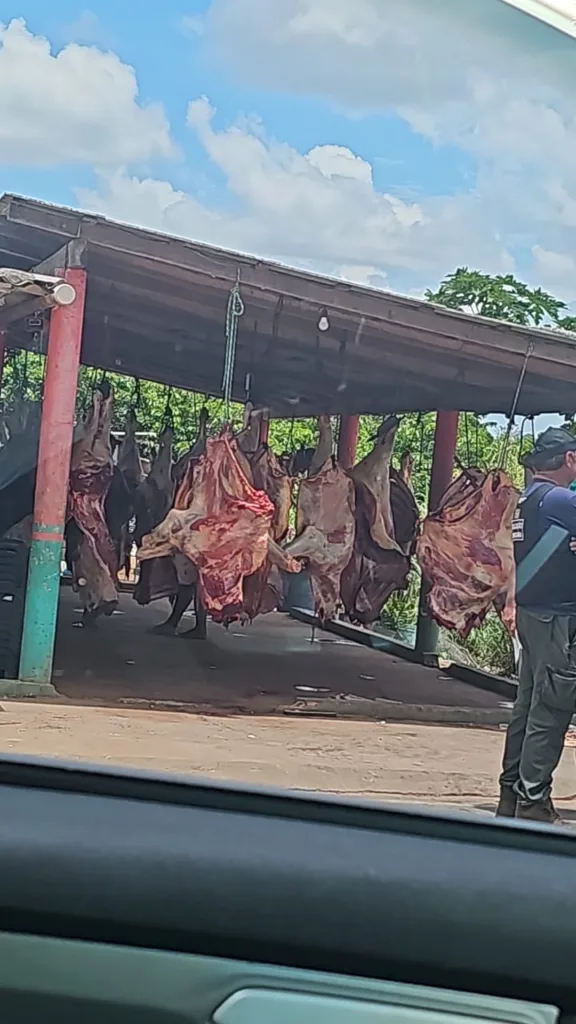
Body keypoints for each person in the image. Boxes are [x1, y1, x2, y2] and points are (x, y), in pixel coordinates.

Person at [497, 427, 576, 824]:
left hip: (533, 615)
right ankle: (533, 802)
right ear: (569, 459)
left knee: (527, 708)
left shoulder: (530, 501)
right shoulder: (561, 499)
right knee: (551, 710)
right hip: (555, 619)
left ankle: (511, 796)